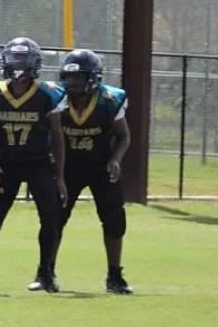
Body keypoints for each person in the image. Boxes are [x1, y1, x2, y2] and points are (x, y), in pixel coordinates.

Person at [0, 36, 67, 295]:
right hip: (8, 165)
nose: (19, 66)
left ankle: (46, 273)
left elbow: (57, 138)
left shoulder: (48, 94)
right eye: (14, 59)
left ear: (35, 64)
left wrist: (60, 176)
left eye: (24, 60)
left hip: (39, 164)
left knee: (50, 219)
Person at [56, 49, 132, 294]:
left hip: (101, 166)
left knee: (114, 220)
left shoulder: (110, 100)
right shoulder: (57, 99)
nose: (72, 83)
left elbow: (124, 136)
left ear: (93, 78)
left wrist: (116, 160)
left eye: (78, 78)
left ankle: (114, 275)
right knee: (54, 219)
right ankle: (46, 271)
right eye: (68, 78)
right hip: (69, 168)